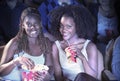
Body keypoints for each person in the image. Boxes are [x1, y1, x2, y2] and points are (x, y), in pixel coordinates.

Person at [50, 5, 104, 81]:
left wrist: (82, 58)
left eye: (68, 26)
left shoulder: (89, 46)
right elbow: (58, 76)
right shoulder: (56, 46)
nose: (63, 30)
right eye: (61, 26)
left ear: (78, 26)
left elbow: (93, 77)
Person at [0, 7, 53, 81]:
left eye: (36, 23)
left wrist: (46, 76)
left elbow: (50, 66)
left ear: (40, 24)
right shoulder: (14, 43)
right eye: (28, 24)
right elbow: (1, 72)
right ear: (22, 25)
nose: (33, 27)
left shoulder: (45, 43)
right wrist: (16, 61)